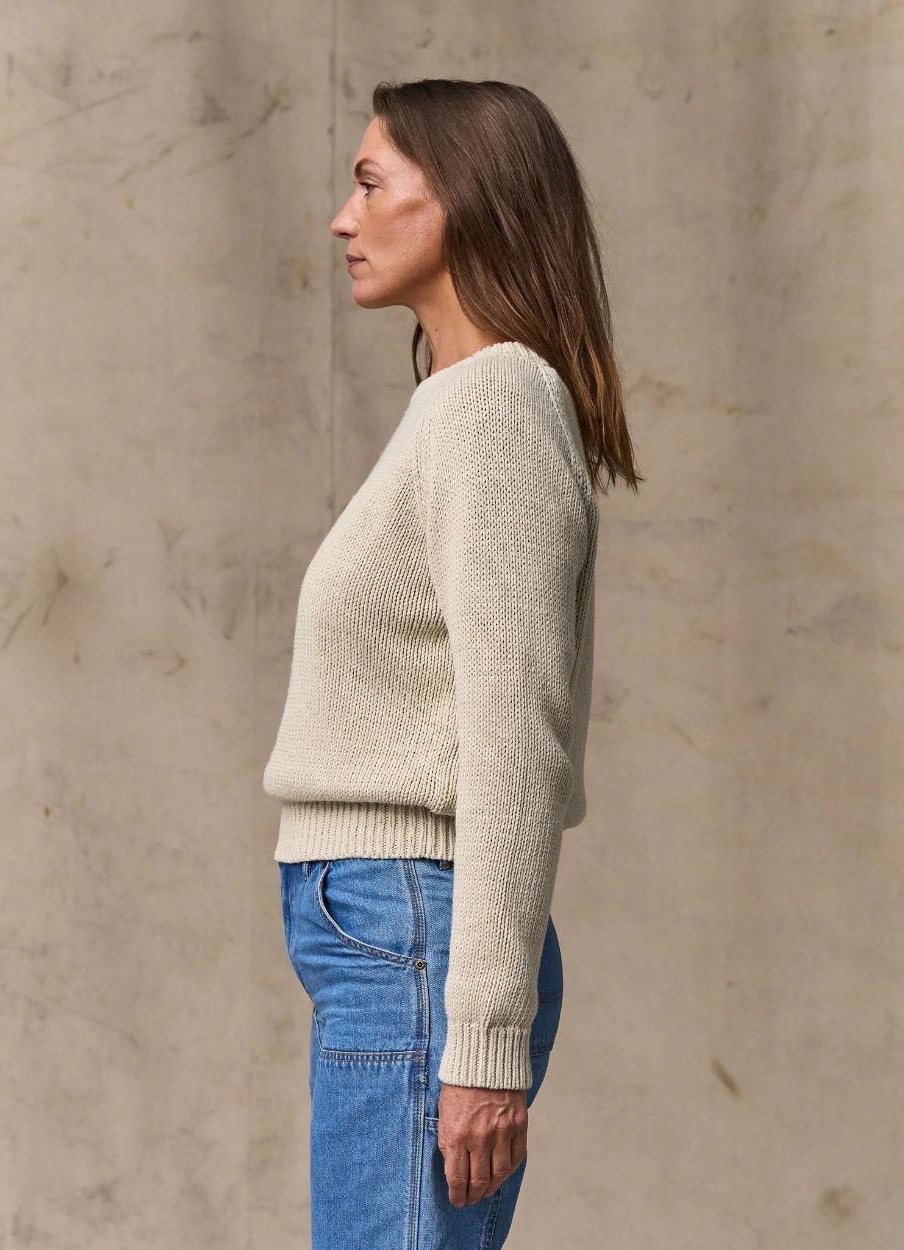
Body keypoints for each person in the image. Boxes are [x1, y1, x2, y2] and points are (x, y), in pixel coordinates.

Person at [263, 77, 642, 1249]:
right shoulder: (456, 405)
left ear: (464, 198)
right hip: (392, 929)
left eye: (370, 183)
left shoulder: (493, 407)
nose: (343, 216)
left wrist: (482, 1036)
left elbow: (514, 733)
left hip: (416, 931)